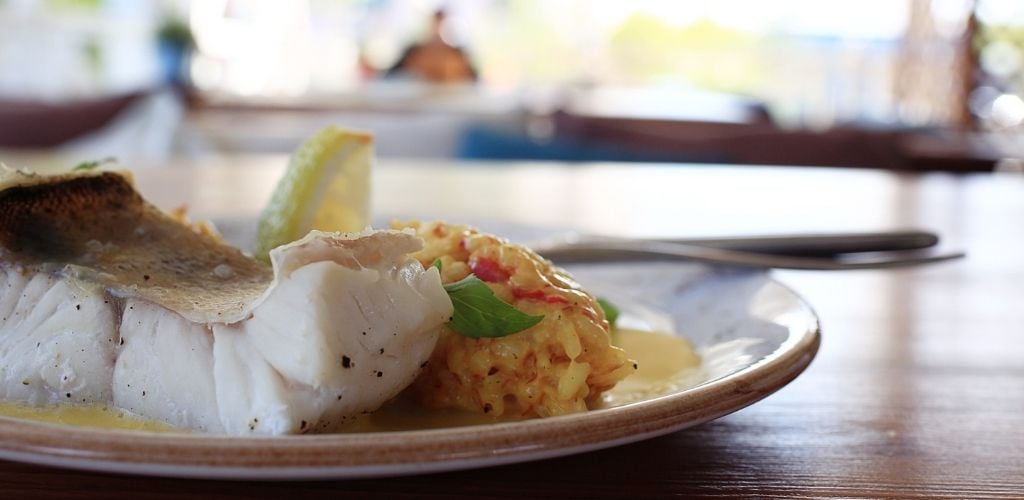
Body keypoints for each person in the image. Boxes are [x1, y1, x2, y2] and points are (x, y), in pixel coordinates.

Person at [386, 9, 477, 83]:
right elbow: (390, 76)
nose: (438, 30)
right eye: (435, 24)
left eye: (442, 25)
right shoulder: (413, 52)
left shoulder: (458, 54)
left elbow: (475, 80)